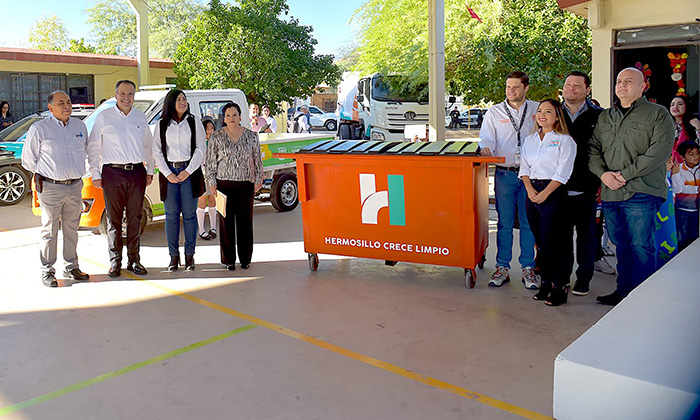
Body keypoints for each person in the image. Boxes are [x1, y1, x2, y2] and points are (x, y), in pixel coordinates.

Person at [588, 67, 674, 306]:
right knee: (621, 245)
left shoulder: (658, 114)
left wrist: (624, 175)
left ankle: (643, 298)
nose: (622, 85)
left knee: (641, 244)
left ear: (642, 86)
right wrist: (603, 175)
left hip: (642, 191)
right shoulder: (606, 116)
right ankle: (623, 292)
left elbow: (659, 152)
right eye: (618, 81)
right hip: (611, 192)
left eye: (628, 81)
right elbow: (593, 149)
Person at [21, 91, 90, 287]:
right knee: (49, 230)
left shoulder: (80, 126)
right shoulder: (40, 129)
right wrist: (48, 174)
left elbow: (85, 152)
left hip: (75, 186)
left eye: (68, 102)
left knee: (72, 229)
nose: (67, 105)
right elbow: (28, 160)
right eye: (61, 103)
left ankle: (71, 266)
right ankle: (47, 271)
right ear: (50, 107)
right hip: (51, 188)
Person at [87, 80, 154, 278]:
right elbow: (93, 147)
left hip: (136, 173)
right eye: (123, 94)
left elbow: (148, 146)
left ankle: (134, 260)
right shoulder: (104, 117)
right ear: (115, 95)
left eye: (130, 94)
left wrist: (149, 169)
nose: (127, 98)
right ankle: (115, 261)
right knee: (113, 220)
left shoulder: (140, 117)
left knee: (135, 218)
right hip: (112, 173)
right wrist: (95, 173)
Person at [479, 71, 538, 289]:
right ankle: (502, 267)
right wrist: (486, 149)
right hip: (505, 174)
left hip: (531, 175)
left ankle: (528, 269)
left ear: (526, 88)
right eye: (508, 87)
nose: (511, 91)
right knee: (503, 223)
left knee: (528, 223)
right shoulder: (494, 112)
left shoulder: (536, 109)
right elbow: (487, 137)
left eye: (515, 87)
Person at [520, 99, 577, 306]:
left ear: (557, 116)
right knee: (541, 243)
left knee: (557, 243)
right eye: (539, 111)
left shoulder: (565, 141)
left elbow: (563, 172)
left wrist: (545, 193)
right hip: (531, 191)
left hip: (553, 193)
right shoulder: (530, 139)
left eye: (548, 111)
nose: (542, 115)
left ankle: (560, 285)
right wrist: (530, 190)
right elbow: (524, 167)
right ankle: (545, 282)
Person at [559, 71, 605, 296]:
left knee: (587, 236)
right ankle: (562, 278)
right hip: (557, 187)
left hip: (589, 188)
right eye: (568, 85)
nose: (571, 89)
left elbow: (607, 150)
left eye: (577, 86)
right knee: (563, 237)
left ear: (588, 90)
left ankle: (584, 278)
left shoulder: (601, 116)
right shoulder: (554, 114)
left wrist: (602, 182)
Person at [205, 102, 263, 270]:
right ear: (224, 118)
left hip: (245, 184)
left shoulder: (251, 136)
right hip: (224, 185)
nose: (231, 118)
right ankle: (228, 259)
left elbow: (257, 159)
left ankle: (246, 259)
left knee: (245, 223)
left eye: (234, 115)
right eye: (228, 115)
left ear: (240, 117)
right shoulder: (217, 136)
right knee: (226, 223)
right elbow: (210, 162)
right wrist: (211, 182)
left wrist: (258, 179)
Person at [153, 89, 206, 272]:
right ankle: (173, 257)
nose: (183, 102)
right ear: (170, 103)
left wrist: (188, 171)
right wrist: (168, 173)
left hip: (189, 173)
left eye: (184, 99)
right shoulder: (161, 125)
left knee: (190, 215)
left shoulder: (194, 122)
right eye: (178, 99)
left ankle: (190, 256)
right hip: (169, 174)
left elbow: (200, 149)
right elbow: (157, 152)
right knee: (171, 216)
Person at [671, 141, 700, 251]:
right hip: (682, 209)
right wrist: (697, 189)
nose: (696, 157)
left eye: (697, 153)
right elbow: (678, 188)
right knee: (681, 237)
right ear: (683, 157)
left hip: (697, 210)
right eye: (691, 154)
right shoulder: (679, 170)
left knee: (694, 236)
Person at [197, 118, 218, 240]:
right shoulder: (199, 143)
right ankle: (201, 229)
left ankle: (213, 227)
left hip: (214, 176)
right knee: (201, 202)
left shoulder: (215, 142)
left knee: (213, 201)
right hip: (203, 175)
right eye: (207, 128)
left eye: (211, 128)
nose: (210, 131)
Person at [669, 95, 700, 164]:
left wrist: (699, 128)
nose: (675, 107)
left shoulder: (694, 124)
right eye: (672, 105)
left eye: (680, 104)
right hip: (668, 167)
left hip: (689, 167)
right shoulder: (665, 126)